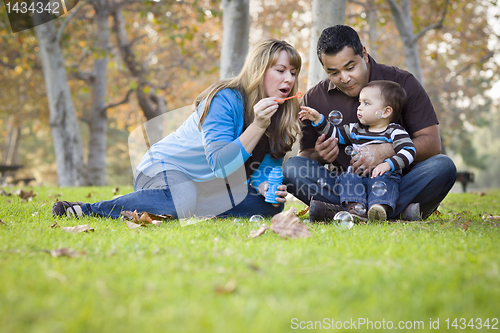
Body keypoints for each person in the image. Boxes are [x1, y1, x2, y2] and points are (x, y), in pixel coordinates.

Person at [52, 39, 302, 219]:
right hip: (164, 170)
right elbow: (220, 164)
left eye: (293, 72)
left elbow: (264, 171)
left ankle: (180, 208)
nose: (288, 80)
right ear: (258, 70)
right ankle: (88, 209)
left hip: (206, 188)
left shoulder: (279, 115)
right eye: (280, 71)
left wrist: (263, 186)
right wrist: (258, 125)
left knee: (270, 206)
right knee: (182, 197)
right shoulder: (225, 99)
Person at [282, 25, 457, 221]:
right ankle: (392, 213)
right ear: (324, 69)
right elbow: (305, 156)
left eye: (350, 67)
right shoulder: (314, 99)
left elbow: (432, 144)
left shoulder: (402, 83)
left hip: (396, 182)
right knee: (292, 168)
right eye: (333, 72)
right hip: (345, 184)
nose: (345, 78)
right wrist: (319, 155)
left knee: (443, 167)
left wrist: (386, 151)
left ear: (364, 54)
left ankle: (340, 212)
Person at [299, 80, 415, 222]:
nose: (359, 108)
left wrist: (388, 165)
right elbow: (334, 133)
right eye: (360, 103)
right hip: (358, 177)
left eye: (366, 103)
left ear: (386, 112)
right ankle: (355, 208)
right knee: (348, 177)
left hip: (383, 176)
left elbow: (409, 151)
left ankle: (378, 208)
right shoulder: (355, 129)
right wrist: (318, 119)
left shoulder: (394, 131)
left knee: (386, 180)